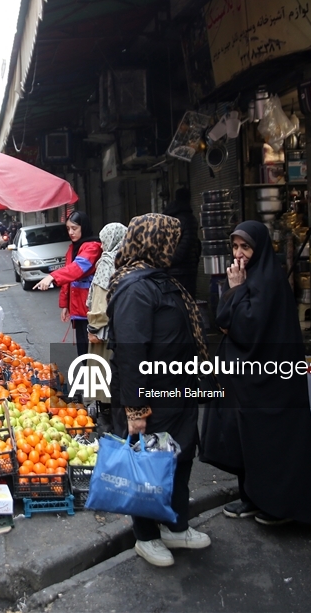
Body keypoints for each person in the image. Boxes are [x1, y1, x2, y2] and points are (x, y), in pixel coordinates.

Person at [107, 213, 211, 567]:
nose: (175, 246)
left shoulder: (162, 280)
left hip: (177, 391)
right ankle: (146, 536)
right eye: (170, 239)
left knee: (180, 460)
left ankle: (176, 526)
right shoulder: (136, 287)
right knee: (146, 466)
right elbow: (132, 352)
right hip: (149, 397)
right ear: (154, 242)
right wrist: (135, 410)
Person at [211, 221, 311, 526]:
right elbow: (222, 320)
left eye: (245, 247)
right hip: (249, 381)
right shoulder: (250, 279)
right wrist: (235, 297)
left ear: (259, 248)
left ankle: (278, 506)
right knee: (247, 441)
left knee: (272, 443)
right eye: (235, 247)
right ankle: (252, 498)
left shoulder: (268, 281)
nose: (239, 254)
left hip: (271, 382)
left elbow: (244, 328)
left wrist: (235, 292)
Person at [32, 211, 102, 355]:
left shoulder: (93, 247)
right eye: (68, 229)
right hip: (77, 306)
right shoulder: (72, 248)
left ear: (84, 227)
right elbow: (68, 279)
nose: (71, 232)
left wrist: (52, 276)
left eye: (74, 228)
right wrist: (65, 304)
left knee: (92, 350)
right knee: (83, 349)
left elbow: (76, 269)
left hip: (90, 306)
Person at [85, 221, 127, 434]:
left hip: (103, 331)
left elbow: (100, 300)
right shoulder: (128, 259)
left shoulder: (107, 262)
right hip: (120, 327)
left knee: (102, 372)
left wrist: (94, 327)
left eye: (103, 241)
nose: (101, 246)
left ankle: (106, 420)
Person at [163, 187, 200, 296]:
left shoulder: (169, 216)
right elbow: (186, 244)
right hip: (185, 271)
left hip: (170, 270)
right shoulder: (188, 219)